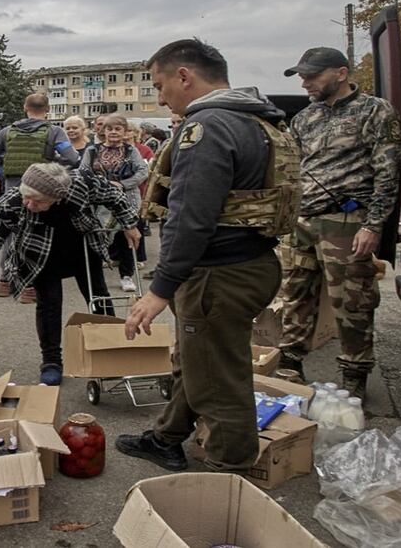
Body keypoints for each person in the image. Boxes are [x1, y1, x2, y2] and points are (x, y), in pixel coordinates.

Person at [116, 38, 298, 475]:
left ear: (185, 76)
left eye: (160, 85)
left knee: (218, 381)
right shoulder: (258, 119)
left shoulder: (209, 126)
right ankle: (167, 437)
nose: (159, 98)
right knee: (201, 359)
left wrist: (161, 288)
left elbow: (191, 216)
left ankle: (229, 472)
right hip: (251, 263)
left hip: (219, 272)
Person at [0, 163, 140, 385]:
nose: (29, 204)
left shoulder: (82, 183)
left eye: (38, 201)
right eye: (26, 197)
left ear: (57, 197)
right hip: (39, 255)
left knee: (98, 296)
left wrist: (129, 224)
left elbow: (115, 196)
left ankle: (108, 352)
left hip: (82, 247)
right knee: (49, 304)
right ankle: (51, 362)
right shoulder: (12, 202)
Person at [275, 47, 401, 399]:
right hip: (304, 221)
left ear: (341, 73)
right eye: (302, 76)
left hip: (347, 220)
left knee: (352, 302)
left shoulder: (375, 111)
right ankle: (290, 364)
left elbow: (387, 172)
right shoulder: (305, 118)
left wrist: (374, 225)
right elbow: (294, 171)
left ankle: (354, 376)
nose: (305, 83)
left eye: (312, 76)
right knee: (296, 294)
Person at [0, 93, 80, 301]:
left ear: (25, 107)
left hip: (13, 188)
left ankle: (5, 281)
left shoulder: (8, 131)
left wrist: (6, 158)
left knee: (11, 233)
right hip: (41, 190)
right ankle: (29, 287)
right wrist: (51, 163)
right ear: (48, 109)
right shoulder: (54, 132)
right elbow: (72, 158)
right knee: (36, 235)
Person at [79, 115, 149, 292]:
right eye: (110, 129)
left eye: (118, 129)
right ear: (104, 131)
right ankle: (95, 278)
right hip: (99, 202)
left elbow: (143, 171)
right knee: (97, 236)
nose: (113, 132)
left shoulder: (131, 151)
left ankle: (126, 276)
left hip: (127, 199)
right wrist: (98, 185)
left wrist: (123, 184)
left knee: (127, 236)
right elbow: (83, 173)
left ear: (125, 132)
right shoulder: (92, 151)